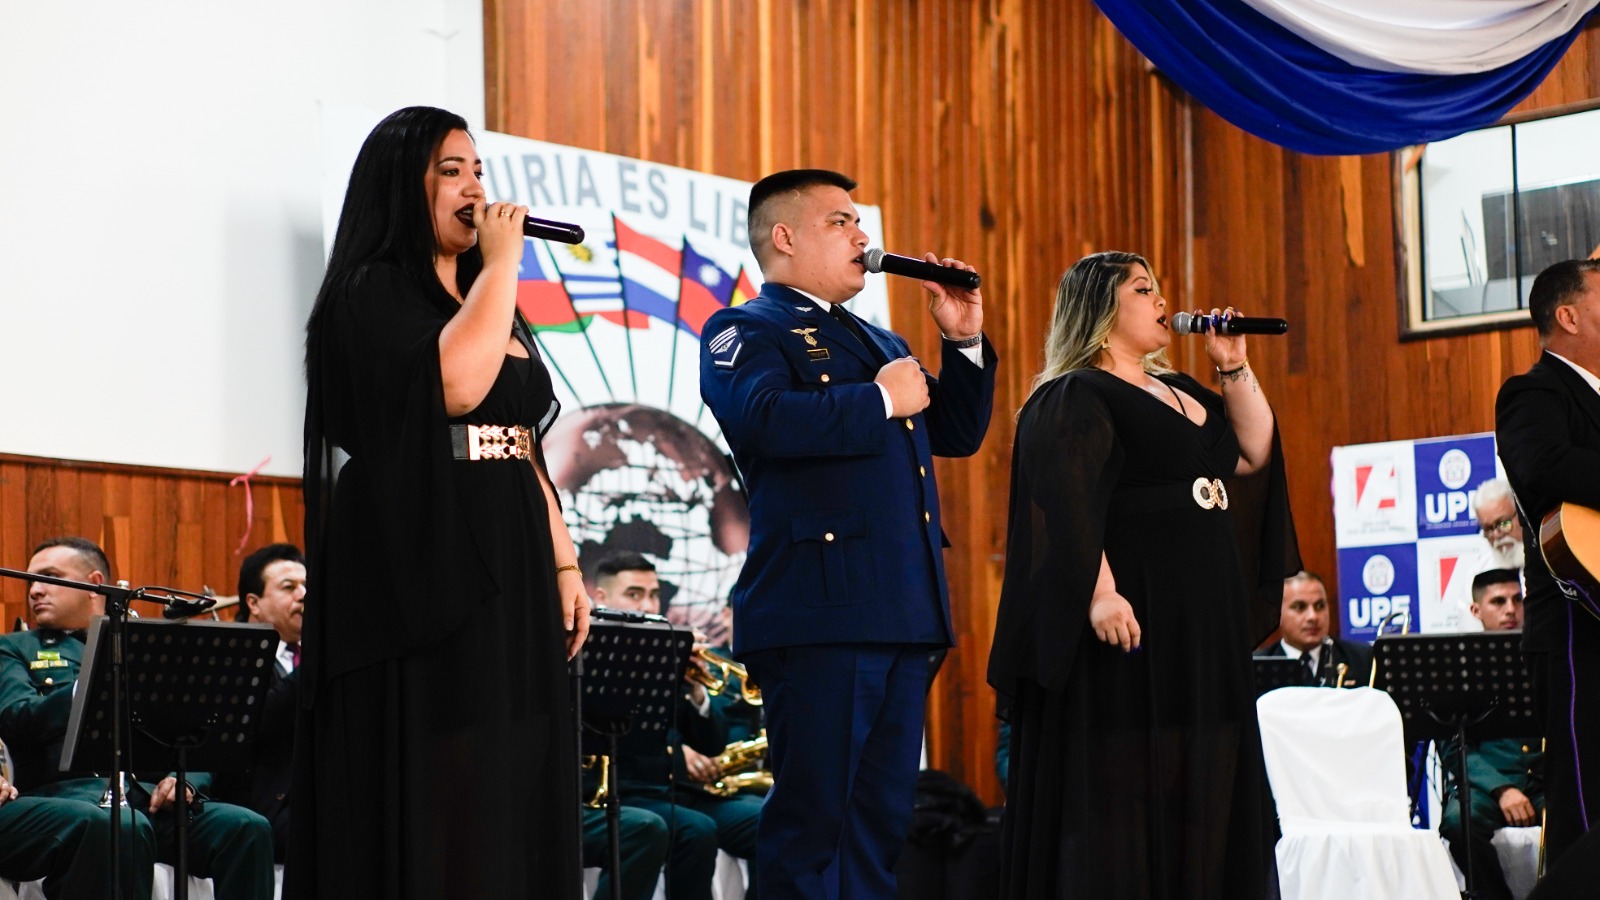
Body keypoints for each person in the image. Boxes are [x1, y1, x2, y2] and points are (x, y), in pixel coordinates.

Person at [293, 106, 588, 898]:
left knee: (512, 762)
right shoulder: (371, 292)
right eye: (450, 170)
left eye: (478, 170)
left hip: (514, 541)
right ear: (402, 186)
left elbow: (518, 435)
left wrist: (564, 560)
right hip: (416, 552)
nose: (474, 187)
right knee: (442, 763)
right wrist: (501, 269)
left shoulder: (489, 295)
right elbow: (456, 387)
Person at [698, 169, 996, 899]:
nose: (864, 237)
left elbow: (952, 433)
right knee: (813, 823)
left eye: (861, 222)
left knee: (877, 823)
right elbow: (765, 420)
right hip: (820, 610)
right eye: (841, 222)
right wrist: (878, 399)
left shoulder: (876, 338)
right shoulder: (743, 327)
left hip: (899, 606)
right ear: (786, 237)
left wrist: (962, 344)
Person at [989, 251, 1297, 899]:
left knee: (1209, 772)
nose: (1163, 300)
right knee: (1134, 782)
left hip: (1202, 616)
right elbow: (1068, 502)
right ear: (1101, 308)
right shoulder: (1075, 394)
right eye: (1144, 288)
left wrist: (1232, 362)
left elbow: (1252, 452)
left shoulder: (1182, 388)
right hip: (1139, 611)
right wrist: (1100, 593)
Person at [0, 537, 274, 900]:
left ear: (95, 583)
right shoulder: (16, 647)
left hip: (150, 798)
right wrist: (88, 686)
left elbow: (194, 726)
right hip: (71, 796)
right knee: (120, 827)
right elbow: (16, 718)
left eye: (49, 578)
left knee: (245, 828)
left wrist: (186, 781)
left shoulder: (144, 643)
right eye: (31, 581)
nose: (35, 590)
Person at [1494, 257, 1600, 867]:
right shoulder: (1534, 390)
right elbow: (1545, 466)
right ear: (1568, 315)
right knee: (1585, 793)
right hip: (1573, 619)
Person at [586, 551, 760, 900]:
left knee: (717, 826)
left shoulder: (667, 649)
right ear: (601, 598)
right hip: (620, 790)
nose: (648, 603)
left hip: (666, 794)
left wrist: (695, 689)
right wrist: (674, 749)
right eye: (635, 594)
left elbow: (712, 744)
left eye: (653, 594)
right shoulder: (590, 651)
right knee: (681, 828)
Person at [1439, 568, 1540, 900]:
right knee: (1458, 821)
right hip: (1488, 786)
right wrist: (1502, 789)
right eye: (1498, 601)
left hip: (1545, 781)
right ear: (1475, 610)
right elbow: (1453, 744)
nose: (1510, 609)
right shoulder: (1458, 666)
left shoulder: (1548, 656)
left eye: (1517, 599)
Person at [212, 543, 305, 862]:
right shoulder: (231, 654)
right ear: (253, 602)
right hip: (261, 804)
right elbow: (255, 723)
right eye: (289, 587)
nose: (304, 595)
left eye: (307, 586)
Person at [1258, 571, 1372, 688]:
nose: (1313, 616)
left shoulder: (1361, 658)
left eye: (1320, 606)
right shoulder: (1258, 667)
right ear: (1277, 613)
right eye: (1300, 607)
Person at [1473, 478, 1526, 572]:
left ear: (1521, 515)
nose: (1496, 535)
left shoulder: (1550, 559)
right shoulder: (1480, 572)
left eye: (1503, 523)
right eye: (1488, 529)